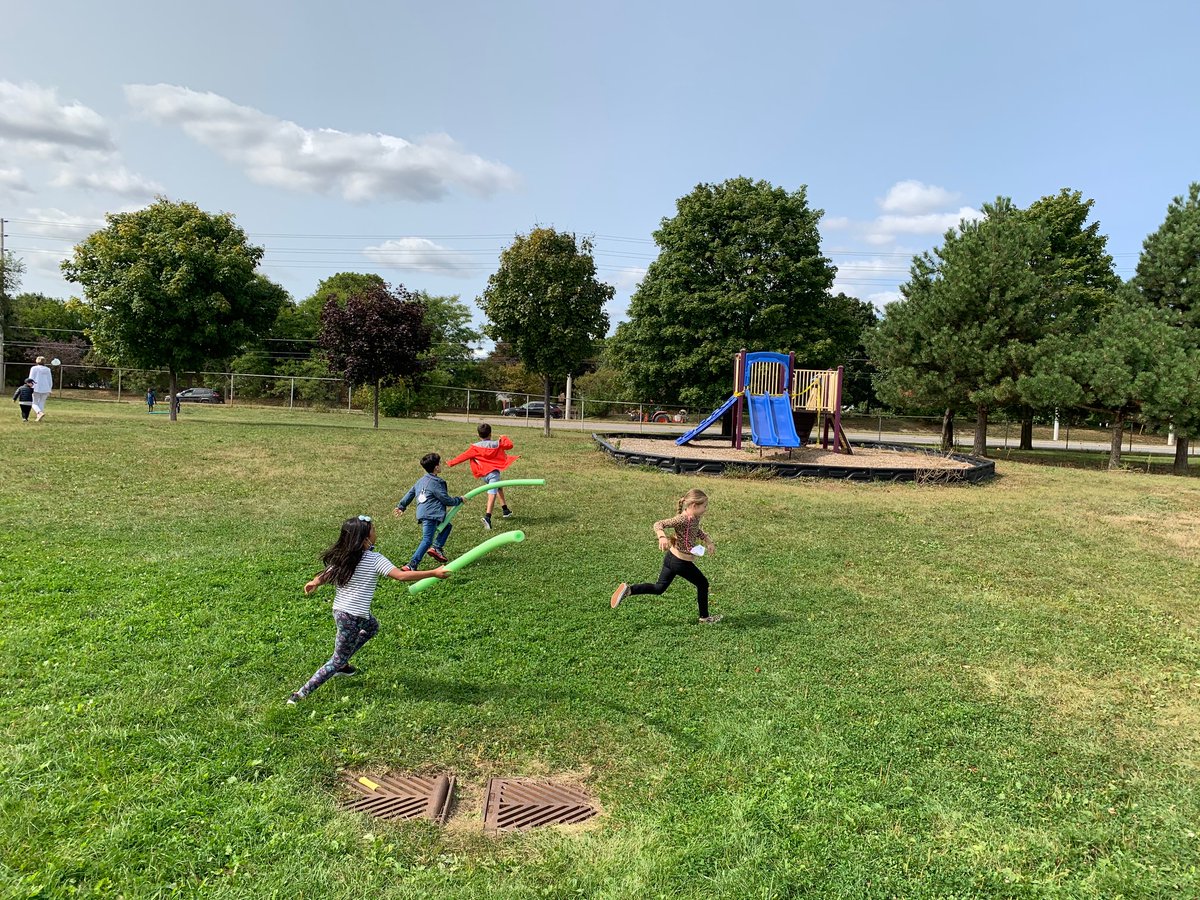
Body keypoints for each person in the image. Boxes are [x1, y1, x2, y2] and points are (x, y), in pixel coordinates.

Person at [289, 515, 449, 704]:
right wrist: (434, 573)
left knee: (372, 627)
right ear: (365, 538)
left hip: (343, 612)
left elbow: (327, 573)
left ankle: (343, 664)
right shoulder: (374, 559)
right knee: (336, 660)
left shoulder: (346, 556)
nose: (376, 532)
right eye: (373, 529)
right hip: (351, 615)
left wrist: (315, 582)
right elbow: (400, 576)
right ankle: (300, 694)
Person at [610, 488, 722, 624]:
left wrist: (708, 541)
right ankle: (705, 618)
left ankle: (629, 590)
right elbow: (659, 524)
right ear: (694, 506)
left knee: (659, 588)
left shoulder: (694, 518)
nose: (706, 509)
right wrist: (662, 537)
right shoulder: (681, 519)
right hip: (680, 562)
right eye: (704, 506)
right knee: (703, 583)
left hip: (671, 558)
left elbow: (696, 530)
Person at [393, 452, 463, 569]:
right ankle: (412, 565)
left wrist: (401, 506)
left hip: (423, 512)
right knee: (426, 540)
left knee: (446, 526)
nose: (440, 465)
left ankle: (437, 547)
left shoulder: (420, 481)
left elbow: (410, 494)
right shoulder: (436, 482)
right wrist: (459, 499)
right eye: (439, 463)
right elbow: (445, 499)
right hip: (432, 514)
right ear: (436, 467)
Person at [447, 422, 518, 530]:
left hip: (483, 475)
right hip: (493, 474)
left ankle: (505, 510)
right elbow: (510, 445)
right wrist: (503, 437)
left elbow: (463, 456)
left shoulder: (474, 448)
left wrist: (451, 463)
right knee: (492, 493)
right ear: (490, 434)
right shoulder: (497, 444)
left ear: (479, 435)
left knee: (499, 488)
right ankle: (488, 517)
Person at [27, 356, 53, 422]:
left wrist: (29, 386)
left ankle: (39, 413)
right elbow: (50, 380)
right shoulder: (47, 369)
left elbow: (31, 378)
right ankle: (39, 417)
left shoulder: (34, 368)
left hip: (36, 388)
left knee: (34, 403)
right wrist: (50, 388)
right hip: (46, 388)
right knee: (42, 402)